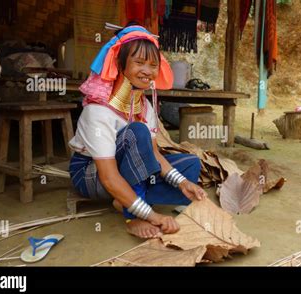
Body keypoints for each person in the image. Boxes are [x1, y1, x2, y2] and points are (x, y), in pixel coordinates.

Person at [68, 24, 207, 239]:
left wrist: (182, 182)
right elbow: (108, 175)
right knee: (137, 132)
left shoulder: (145, 106)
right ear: (119, 63)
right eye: (139, 62)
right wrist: (149, 215)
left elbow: (154, 154)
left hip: (121, 172)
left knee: (190, 164)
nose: (148, 71)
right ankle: (132, 213)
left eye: (153, 65)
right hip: (91, 174)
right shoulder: (97, 111)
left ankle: (124, 198)